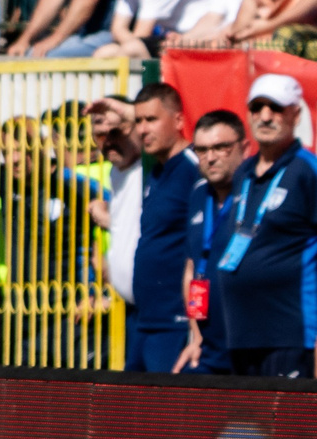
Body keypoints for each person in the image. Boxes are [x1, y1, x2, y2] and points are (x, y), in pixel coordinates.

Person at [211, 74, 317, 377]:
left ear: (296, 114)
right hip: (242, 334)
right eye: (257, 107)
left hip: (291, 335)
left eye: (276, 108)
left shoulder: (308, 171)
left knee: (289, 411)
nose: (265, 116)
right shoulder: (243, 172)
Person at [123, 82, 198, 373]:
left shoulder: (194, 168)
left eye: (151, 119)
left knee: (165, 401)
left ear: (178, 120)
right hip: (144, 320)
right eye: (138, 121)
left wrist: (194, 322)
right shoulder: (156, 171)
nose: (142, 129)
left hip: (174, 323)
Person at [176, 109, 247, 375]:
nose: (211, 157)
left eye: (220, 148)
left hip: (251, 346)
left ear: (244, 148)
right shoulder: (198, 194)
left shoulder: (255, 194)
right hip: (208, 347)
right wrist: (195, 335)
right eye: (202, 150)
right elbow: (192, 268)